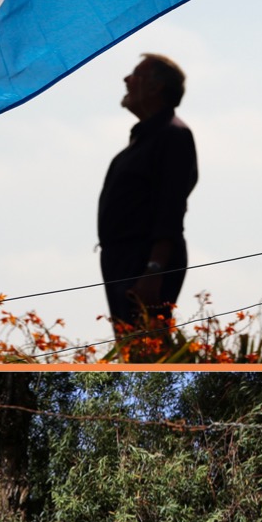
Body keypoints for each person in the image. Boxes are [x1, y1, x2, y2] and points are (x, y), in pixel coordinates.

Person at [97, 53, 198, 332]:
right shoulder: (143, 140)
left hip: (145, 261)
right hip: (124, 259)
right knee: (132, 349)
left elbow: (171, 206)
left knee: (146, 349)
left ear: (156, 88)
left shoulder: (173, 136)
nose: (126, 80)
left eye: (136, 75)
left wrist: (155, 269)